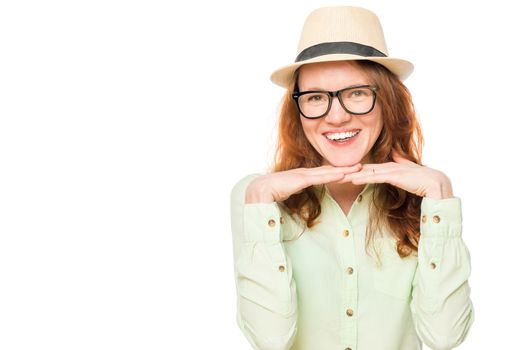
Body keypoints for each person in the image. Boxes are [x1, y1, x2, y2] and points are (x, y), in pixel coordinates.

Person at [230, 6, 474, 350]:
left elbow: (444, 337)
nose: (337, 116)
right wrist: (258, 203)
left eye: (357, 93)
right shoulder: (257, 199)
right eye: (315, 98)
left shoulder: (428, 200)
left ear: (387, 100)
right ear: (297, 110)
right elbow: (269, 339)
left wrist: (439, 195)